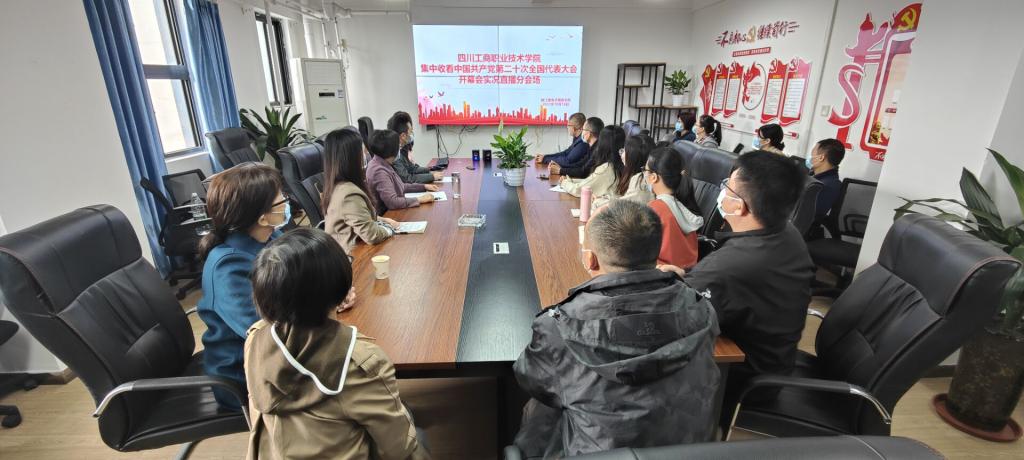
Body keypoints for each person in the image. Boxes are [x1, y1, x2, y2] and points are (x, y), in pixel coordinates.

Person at [513, 200, 720, 458]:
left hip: (601, 453)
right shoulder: (702, 309)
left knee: (544, 409)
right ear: (657, 254)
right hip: (687, 450)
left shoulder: (559, 325)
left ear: (590, 259)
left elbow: (530, 378)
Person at [244, 228, 430, 460]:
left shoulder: (255, 338)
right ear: (339, 285)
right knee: (417, 437)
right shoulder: (359, 363)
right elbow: (398, 447)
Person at [661, 151, 814, 430]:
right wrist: (689, 277)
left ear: (740, 206)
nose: (722, 193)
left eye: (727, 188)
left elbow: (671, 318)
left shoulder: (731, 266)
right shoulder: (786, 232)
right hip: (776, 358)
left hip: (742, 377)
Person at [196, 163, 289, 410]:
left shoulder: (272, 237)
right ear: (262, 216)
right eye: (281, 199)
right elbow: (264, 331)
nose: (286, 202)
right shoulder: (228, 267)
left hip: (275, 356)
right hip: (243, 373)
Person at [322, 129, 401, 254]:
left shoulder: (337, 186)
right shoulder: (348, 194)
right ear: (351, 157)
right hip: (352, 257)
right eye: (362, 151)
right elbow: (371, 235)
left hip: (352, 249)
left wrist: (383, 220)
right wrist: (389, 229)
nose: (366, 154)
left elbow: (357, 215)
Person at [645, 146, 704, 269]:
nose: (644, 174)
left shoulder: (655, 209)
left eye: (645, 170)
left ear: (653, 177)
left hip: (661, 273)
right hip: (686, 274)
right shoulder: (685, 205)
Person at [365, 129, 440, 214]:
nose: (400, 149)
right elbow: (392, 202)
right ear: (391, 150)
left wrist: (424, 187)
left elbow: (401, 186)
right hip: (387, 215)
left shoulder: (384, 162)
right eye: (399, 146)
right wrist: (419, 199)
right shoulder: (378, 171)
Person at [591, 134, 655, 211]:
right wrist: (603, 198)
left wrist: (598, 201)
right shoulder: (640, 177)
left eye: (624, 150)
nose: (621, 154)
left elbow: (622, 205)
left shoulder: (640, 181)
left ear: (633, 157)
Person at [560, 125, 625, 198]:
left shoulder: (606, 168)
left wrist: (564, 183)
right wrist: (570, 180)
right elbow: (590, 181)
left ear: (603, 144)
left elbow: (578, 190)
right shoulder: (619, 165)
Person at [387, 111, 443, 185]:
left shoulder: (401, 148)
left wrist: (430, 170)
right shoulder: (393, 154)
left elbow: (411, 168)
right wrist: (432, 176)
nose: (411, 135)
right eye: (411, 132)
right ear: (403, 136)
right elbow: (406, 179)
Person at [807, 138, 845, 220]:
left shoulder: (825, 186)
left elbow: (805, 216)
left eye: (812, 154)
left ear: (821, 157)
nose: (809, 158)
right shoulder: (818, 178)